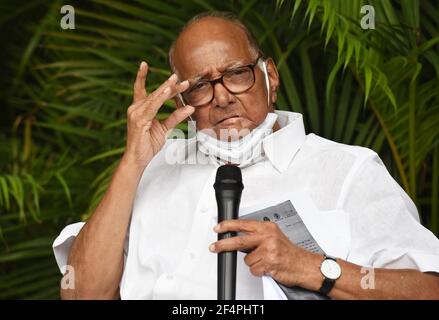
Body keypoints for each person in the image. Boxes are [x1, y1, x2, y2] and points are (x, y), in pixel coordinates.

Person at [53, 11, 439, 300]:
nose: (221, 97)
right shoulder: (153, 170)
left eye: (237, 73)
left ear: (270, 77)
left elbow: (428, 289)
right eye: (201, 85)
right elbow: (79, 292)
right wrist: (132, 162)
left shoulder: (346, 169)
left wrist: (313, 268)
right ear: (184, 99)